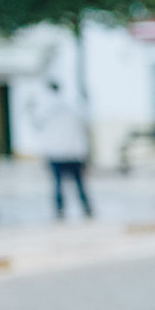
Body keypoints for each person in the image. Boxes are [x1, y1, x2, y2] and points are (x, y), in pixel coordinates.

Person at [37, 80, 94, 219]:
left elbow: (37, 125)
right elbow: (84, 125)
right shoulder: (72, 106)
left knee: (57, 184)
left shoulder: (45, 108)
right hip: (74, 151)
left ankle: (60, 210)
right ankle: (86, 209)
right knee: (79, 184)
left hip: (56, 152)